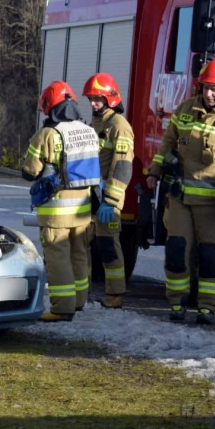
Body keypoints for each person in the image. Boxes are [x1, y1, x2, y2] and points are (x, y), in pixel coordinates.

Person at [146, 58, 215, 324]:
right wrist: (154, 172)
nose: (209, 93)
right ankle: (177, 304)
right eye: (206, 87)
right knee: (176, 250)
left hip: (212, 206)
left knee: (209, 255)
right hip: (180, 197)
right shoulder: (185, 109)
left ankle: (207, 308)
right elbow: (167, 143)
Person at [23, 81, 101, 322]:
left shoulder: (48, 134)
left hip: (57, 211)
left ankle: (62, 308)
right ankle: (79, 301)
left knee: (58, 259)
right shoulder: (89, 131)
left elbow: (30, 170)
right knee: (79, 255)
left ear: (50, 106)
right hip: (83, 210)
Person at [83, 73, 135, 309]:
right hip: (90, 195)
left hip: (108, 198)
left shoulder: (119, 126)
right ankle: (82, 294)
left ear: (110, 98)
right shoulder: (95, 123)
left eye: (98, 99)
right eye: (91, 99)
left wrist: (110, 201)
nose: (93, 103)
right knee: (81, 244)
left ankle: (115, 296)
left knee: (108, 246)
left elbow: (122, 166)